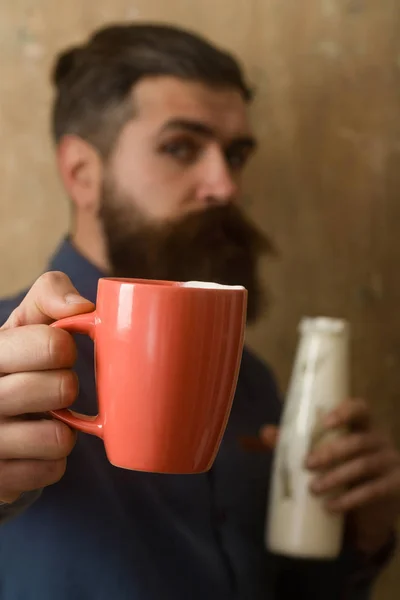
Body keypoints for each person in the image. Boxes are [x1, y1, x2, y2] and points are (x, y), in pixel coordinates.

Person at [0, 23, 399, 600]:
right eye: (181, 147)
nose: (225, 186)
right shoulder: (6, 358)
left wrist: (364, 533)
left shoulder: (251, 380)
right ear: (83, 175)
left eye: (235, 155)